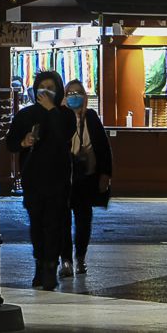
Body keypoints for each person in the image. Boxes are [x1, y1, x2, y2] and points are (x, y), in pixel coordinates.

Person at [4, 69, 74, 290]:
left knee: (55, 223)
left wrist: (51, 110)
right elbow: (10, 142)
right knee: (37, 224)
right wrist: (23, 142)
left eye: (51, 89)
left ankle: (50, 268)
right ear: (35, 90)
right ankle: (39, 265)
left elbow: (64, 135)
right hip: (33, 179)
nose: (46, 92)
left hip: (59, 179)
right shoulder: (25, 115)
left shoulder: (65, 114)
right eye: (42, 88)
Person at [62, 78, 112, 277]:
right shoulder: (60, 117)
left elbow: (103, 147)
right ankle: (65, 260)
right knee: (62, 220)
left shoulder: (91, 117)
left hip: (86, 177)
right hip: (64, 177)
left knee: (83, 220)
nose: (74, 97)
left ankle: (80, 257)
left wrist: (105, 174)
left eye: (78, 93)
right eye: (70, 94)